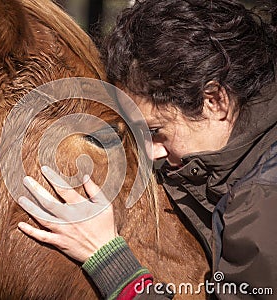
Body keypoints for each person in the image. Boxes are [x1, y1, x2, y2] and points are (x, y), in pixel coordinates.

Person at [17, 0, 277, 299]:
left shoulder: (261, 206)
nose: (152, 152)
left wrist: (108, 258)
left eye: (156, 131)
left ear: (214, 101)